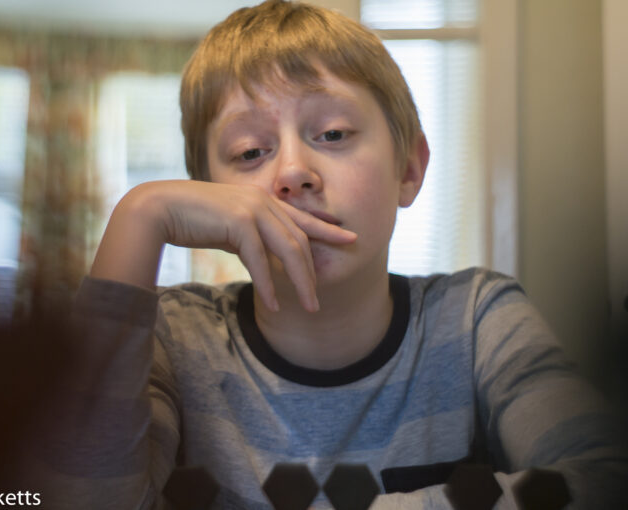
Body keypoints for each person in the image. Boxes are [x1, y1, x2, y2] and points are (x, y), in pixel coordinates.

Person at [51, 1, 627, 508]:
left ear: (408, 168)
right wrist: (139, 215)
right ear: (209, 198)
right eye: (250, 151)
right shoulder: (174, 339)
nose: (293, 173)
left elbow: (604, 481)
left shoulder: (477, 319)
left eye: (331, 134)